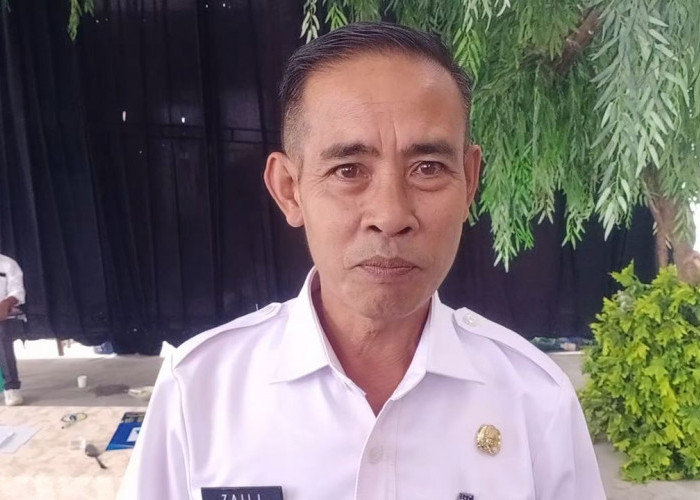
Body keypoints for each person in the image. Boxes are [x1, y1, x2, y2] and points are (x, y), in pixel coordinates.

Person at [119, 22, 605, 500]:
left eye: (428, 168)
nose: (391, 216)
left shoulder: (536, 400)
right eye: (348, 170)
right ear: (289, 190)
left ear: (469, 181)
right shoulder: (197, 391)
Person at [0, 252, 26, 406]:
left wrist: (6, 303)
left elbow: (18, 291)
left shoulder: (7, 264)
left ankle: (11, 387)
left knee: (2, 336)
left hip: (1, 315)